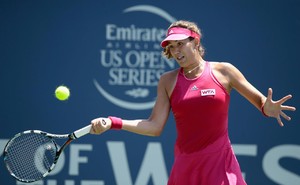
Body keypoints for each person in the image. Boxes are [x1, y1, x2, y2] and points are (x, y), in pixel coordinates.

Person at [90, 20, 296, 185]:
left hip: (221, 165)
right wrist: (113, 122)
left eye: (180, 44)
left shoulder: (224, 71)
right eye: (171, 47)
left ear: (196, 42)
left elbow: (260, 101)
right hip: (186, 168)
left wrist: (266, 107)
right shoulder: (167, 81)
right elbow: (154, 126)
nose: (176, 51)